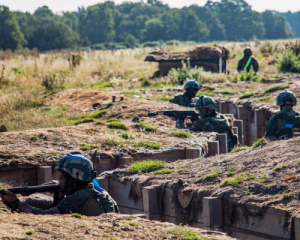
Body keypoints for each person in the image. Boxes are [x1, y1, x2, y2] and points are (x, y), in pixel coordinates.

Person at [1, 152, 119, 215]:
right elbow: (61, 210)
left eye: (62, 177)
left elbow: (47, 216)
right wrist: (60, 196)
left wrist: (16, 204)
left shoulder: (78, 198)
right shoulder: (102, 193)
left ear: (74, 178)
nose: (59, 181)